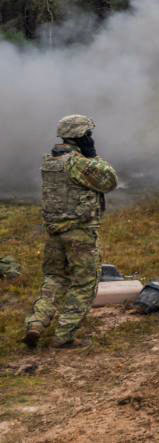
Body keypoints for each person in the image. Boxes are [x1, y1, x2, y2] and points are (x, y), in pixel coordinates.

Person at [23, 115, 118, 349]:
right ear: (80, 136)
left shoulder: (50, 161)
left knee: (54, 279)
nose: (91, 138)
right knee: (84, 283)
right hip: (80, 232)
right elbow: (109, 180)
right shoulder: (78, 163)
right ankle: (64, 335)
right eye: (88, 135)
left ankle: (36, 323)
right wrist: (93, 155)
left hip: (55, 232)